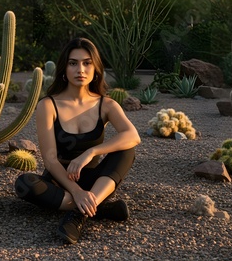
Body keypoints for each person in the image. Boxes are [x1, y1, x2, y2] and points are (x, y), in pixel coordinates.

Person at [14, 37, 140, 244]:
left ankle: (78, 215)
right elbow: (50, 160)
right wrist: (77, 192)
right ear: (64, 69)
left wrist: (89, 153)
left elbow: (133, 136)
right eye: (73, 63)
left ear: (96, 68)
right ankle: (98, 206)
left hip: (94, 178)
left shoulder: (106, 105)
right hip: (60, 180)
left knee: (127, 150)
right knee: (25, 185)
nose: (80, 69)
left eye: (87, 63)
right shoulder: (48, 105)